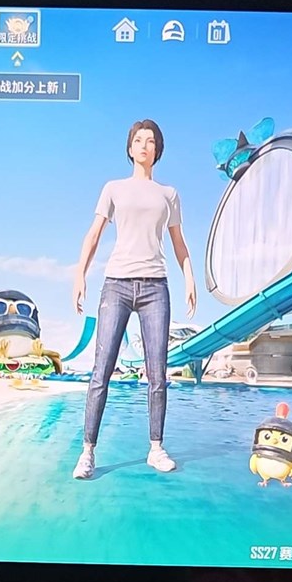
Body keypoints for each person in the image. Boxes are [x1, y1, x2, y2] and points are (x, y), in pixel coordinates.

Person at [72, 118, 196, 480]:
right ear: (130, 148)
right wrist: (79, 273)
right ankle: (87, 452)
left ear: (158, 150)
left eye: (151, 141)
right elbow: (94, 234)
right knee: (101, 371)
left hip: (156, 288)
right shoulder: (113, 188)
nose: (144, 145)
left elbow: (178, 242)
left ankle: (156, 448)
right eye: (138, 140)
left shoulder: (168, 194)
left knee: (158, 374)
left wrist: (189, 278)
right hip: (117, 285)